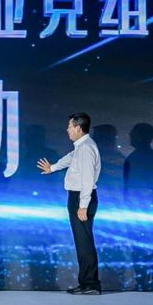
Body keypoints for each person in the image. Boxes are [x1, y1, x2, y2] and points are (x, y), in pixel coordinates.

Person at [37, 112, 102, 295]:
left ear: (78, 128)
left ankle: (91, 284)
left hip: (81, 197)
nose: (67, 130)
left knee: (84, 242)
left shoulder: (86, 148)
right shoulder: (81, 147)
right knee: (82, 242)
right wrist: (53, 168)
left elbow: (88, 179)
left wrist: (83, 205)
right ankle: (87, 282)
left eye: (70, 126)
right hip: (77, 197)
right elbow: (69, 158)